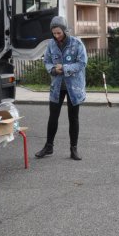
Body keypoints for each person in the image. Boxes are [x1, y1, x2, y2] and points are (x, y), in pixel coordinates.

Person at [34, 16, 87, 161]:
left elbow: (82, 63)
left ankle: (73, 149)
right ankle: (48, 146)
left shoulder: (77, 43)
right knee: (53, 117)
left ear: (64, 30)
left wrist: (64, 68)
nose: (56, 36)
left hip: (74, 87)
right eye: (54, 33)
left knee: (73, 117)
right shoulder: (51, 44)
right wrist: (52, 69)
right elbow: (47, 61)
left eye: (59, 33)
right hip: (57, 86)